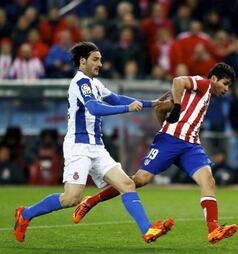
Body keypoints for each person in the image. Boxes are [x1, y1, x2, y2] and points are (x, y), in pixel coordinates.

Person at [14, 42, 173, 243]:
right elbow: (95, 108)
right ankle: (25, 214)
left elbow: (116, 98)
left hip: (96, 147)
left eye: (100, 59)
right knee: (71, 198)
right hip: (78, 146)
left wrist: (152, 104)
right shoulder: (80, 83)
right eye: (95, 59)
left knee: (127, 184)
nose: (100, 63)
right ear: (83, 61)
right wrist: (128, 109)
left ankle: (147, 230)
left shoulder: (95, 83)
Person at [73, 62, 238, 244]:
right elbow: (178, 81)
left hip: (191, 145)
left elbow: (160, 109)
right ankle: (91, 201)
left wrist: (169, 116)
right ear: (214, 79)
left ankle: (213, 230)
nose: (226, 89)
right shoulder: (203, 83)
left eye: (229, 85)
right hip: (169, 141)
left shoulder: (201, 96)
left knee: (208, 180)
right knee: (139, 180)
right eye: (225, 83)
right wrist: (175, 111)